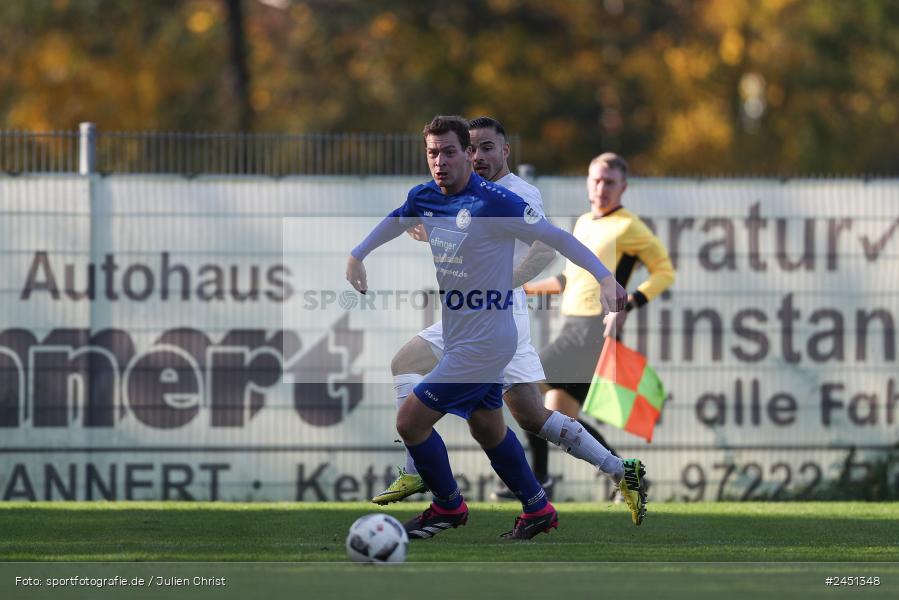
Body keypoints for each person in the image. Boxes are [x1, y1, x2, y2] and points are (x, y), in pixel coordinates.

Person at [346, 116, 638, 539]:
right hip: (461, 326)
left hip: (491, 334)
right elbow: (399, 216)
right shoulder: (429, 195)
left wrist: (605, 277)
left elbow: (554, 240)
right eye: (433, 153)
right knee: (491, 425)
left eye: (452, 152)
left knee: (411, 421)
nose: (442, 161)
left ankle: (446, 504)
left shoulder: (501, 199)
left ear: (485, 152)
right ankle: (539, 508)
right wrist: (358, 254)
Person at [520, 153, 675, 522]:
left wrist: (626, 305)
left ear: (624, 187)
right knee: (555, 415)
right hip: (571, 325)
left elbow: (663, 273)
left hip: (590, 329)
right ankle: (625, 473)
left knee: (520, 385)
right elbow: (570, 279)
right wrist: (523, 287)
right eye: (595, 180)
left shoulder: (630, 226)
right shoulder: (584, 222)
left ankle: (537, 481)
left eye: (609, 182)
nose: (600, 188)